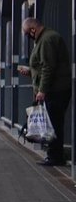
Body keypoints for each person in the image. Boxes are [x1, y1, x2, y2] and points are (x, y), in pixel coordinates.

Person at [18, 17, 72, 167]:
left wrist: (42, 90)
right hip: (55, 89)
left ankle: (55, 157)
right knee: (53, 123)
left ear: (33, 29)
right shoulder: (44, 38)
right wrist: (31, 72)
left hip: (55, 90)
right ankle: (54, 155)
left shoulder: (47, 40)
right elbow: (44, 67)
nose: (27, 36)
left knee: (53, 124)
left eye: (27, 33)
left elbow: (48, 68)